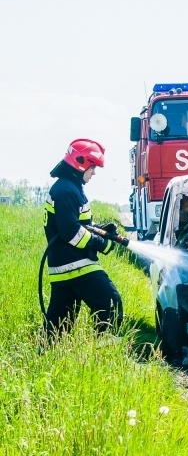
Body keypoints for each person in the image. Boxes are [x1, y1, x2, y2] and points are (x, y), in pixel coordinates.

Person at [44, 139, 122, 342]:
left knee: (59, 324)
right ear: (80, 163)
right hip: (75, 264)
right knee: (110, 302)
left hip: (65, 264)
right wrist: (99, 243)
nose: (94, 172)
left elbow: (80, 223)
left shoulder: (69, 187)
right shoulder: (66, 191)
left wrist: (101, 231)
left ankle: (48, 356)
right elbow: (71, 232)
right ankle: (105, 353)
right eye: (93, 167)